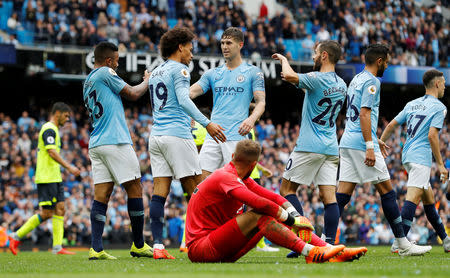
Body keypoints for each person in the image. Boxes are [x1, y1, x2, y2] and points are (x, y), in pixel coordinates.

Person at [186, 139, 367, 263]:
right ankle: (311, 252)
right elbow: (260, 203)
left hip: (217, 246)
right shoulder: (225, 177)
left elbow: (273, 197)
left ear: (233, 156)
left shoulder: (236, 176)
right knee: (260, 215)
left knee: (267, 217)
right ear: (254, 165)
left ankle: (331, 250)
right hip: (201, 248)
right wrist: (293, 220)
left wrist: (295, 215)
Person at [335, 43, 431, 256]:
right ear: (379, 61)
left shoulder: (356, 79)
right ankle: (402, 243)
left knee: (342, 194)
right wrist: (370, 145)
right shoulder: (371, 82)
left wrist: (375, 139)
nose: (387, 65)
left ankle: (324, 240)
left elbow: (355, 116)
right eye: (386, 61)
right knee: (387, 191)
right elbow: (364, 114)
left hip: (348, 141)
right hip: (361, 145)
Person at [148, 27, 226, 259]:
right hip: (177, 135)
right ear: (180, 47)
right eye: (190, 50)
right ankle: (203, 241)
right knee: (196, 190)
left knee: (159, 192)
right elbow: (183, 99)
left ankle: (158, 247)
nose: (192, 55)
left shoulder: (155, 72)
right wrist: (207, 123)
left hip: (156, 136)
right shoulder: (180, 69)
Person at [272, 40, 347, 246]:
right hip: (331, 147)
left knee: (287, 189)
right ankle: (329, 244)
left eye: (315, 53)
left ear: (324, 55)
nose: (313, 56)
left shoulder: (317, 78)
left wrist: (285, 60)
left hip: (309, 145)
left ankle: (302, 241)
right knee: (329, 197)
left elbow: (288, 76)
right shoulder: (342, 84)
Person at [83, 41, 153, 260]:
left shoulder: (87, 81)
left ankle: (96, 248)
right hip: (115, 141)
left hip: (96, 143)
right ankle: (139, 245)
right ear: (108, 61)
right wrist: (147, 82)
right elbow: (132, 93)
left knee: (101, 195)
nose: (117, 65)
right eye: (117, 61)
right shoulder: (105, 72)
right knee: (135, 188)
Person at [380, 69, 450, 252]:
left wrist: (381, 141)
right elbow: (432, 136)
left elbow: (392, 124)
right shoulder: (439, 107)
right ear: (436, 84)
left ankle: (446, 239)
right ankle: (399, 242)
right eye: (443, 83)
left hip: (408, 155)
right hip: (421, 158)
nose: (444, 86)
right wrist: (441, 165)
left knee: (429, 199)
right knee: (413, 198)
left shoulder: (412, 104)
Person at [190, 27, 266, 181]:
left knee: (234, 184)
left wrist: (251, 119)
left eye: (229, 43)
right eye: (222, 43)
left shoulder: (253, 72)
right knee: (201, 182)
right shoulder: (212, 73)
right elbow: (189, 93)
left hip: (236, 136)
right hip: (214, 135)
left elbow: (261, 102)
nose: (224, 46)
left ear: (240, 45)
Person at [9, 102, 81, 255]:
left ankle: (57, 247)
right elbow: (51, 152)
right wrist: (69, 167)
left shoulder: (54, 129)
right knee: (47, 213)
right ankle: (16, 236)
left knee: (60, 209)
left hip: (55, 177)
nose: (67, 119)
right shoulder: (49, 129)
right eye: (66, 116)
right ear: (58, 113)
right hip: (46, 177)